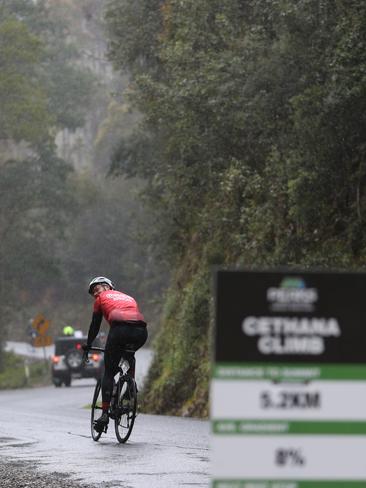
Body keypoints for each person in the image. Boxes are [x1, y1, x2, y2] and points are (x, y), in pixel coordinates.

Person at [83, 276, 147, 433]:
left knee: (109, 372)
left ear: (107, 288)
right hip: (141, 331)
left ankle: (104, 414)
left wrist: (89, 345)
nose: (96, 294)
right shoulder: (128, 297)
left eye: (97, 289)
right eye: (93, 293)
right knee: (129, 355)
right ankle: (130, 389)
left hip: (119, 330)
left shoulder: (101, 299)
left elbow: (95, 325)